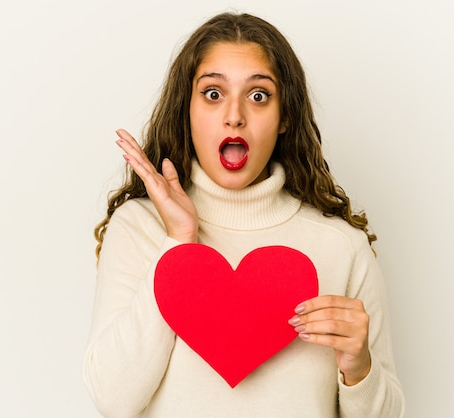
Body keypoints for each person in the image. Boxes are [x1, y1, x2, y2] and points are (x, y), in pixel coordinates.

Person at [83, 12, 405, 418]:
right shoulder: (139, 229)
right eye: (213, 94)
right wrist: (179, 243)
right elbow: (112, 401)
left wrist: (359, 368)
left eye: (258, 96)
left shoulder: (342, 246)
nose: (234, 115)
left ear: (285, 116)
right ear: (187, 109)